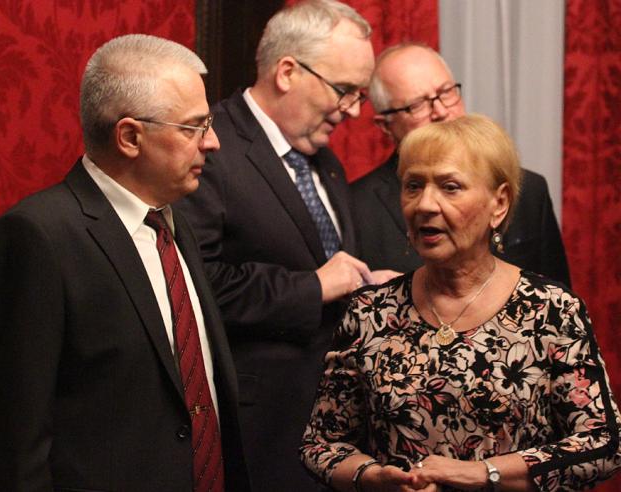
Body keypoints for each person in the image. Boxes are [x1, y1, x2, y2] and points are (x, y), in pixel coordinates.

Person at [0, 34, 250, 491]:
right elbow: (12, 439)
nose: (214, 143)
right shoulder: (37, 236)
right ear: (130, 136)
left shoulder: (173, 222)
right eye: (194, 127)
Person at [300, 114, 621, 491]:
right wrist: (375, 477)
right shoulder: (370, 311)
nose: (425, 205)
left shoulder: (551, 310)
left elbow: (602, 444)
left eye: (450, 187)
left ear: (498, 204)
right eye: (413, 186)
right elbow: (321, 444)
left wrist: (484, 473)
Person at [174, 1, 397, 490]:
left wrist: (365, 288)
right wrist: (312, 287)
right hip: (260, 433)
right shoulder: (210, 149)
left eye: (360, 94)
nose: (355, 110)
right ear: (288, 71)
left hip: (336, 436)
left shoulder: (325, 160)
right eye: (344, 91)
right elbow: (194, 285)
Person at [351, 43, 572, 287]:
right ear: (386, 125)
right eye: (417, 105)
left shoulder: (527, 188)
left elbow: (557, 294)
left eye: (446, 92)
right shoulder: (356, 208)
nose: (441, 112)